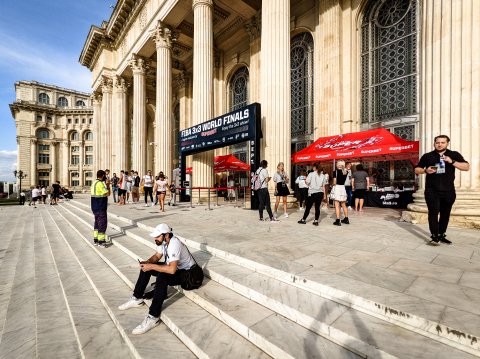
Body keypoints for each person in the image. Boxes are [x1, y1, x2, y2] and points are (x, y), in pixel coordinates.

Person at [118, 223, 199, 335]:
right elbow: (157, 256)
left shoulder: (174, 243)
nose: (155, 239)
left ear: (166, 235)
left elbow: (171, 270)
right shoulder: (163, 242)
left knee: (162, 276)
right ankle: (137, 297)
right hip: (178, 269)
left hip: (189, 275)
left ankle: (153, 317)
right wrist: (147, 263)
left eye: (157, 236)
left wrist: (151, 266)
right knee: (146, 267)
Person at [415, 135, 470, 244]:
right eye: (437, 142)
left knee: (445, 214)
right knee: (433, 213)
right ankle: (434, 236)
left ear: (447, 143)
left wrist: (452, 161)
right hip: (432, 190)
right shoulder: (428, 156)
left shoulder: (454, 154)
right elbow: (417, 169)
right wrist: (426, 171)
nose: (439, 144)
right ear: (434, 143)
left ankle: (441, 234)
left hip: (448, 191)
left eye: (442, 142)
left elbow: (466, 167)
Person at [90, 169, 111, 247]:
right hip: (100, 206)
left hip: (94, 206)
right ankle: (101, 241)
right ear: (103, 176)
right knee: (102, 223)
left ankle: (96, 239)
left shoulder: (94, 183)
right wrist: (108, 185)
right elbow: (107, 193)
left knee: (97, 223)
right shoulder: (100, 184)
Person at [331, 160, 350, 226]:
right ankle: (346, 219)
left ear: (337, 165)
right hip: (343, 188)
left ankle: (338, 220)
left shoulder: (335, 172)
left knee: (337, 205)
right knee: (344, 205)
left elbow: (334, 182)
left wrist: (332, 185)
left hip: (337, 188)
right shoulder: (346, 172)